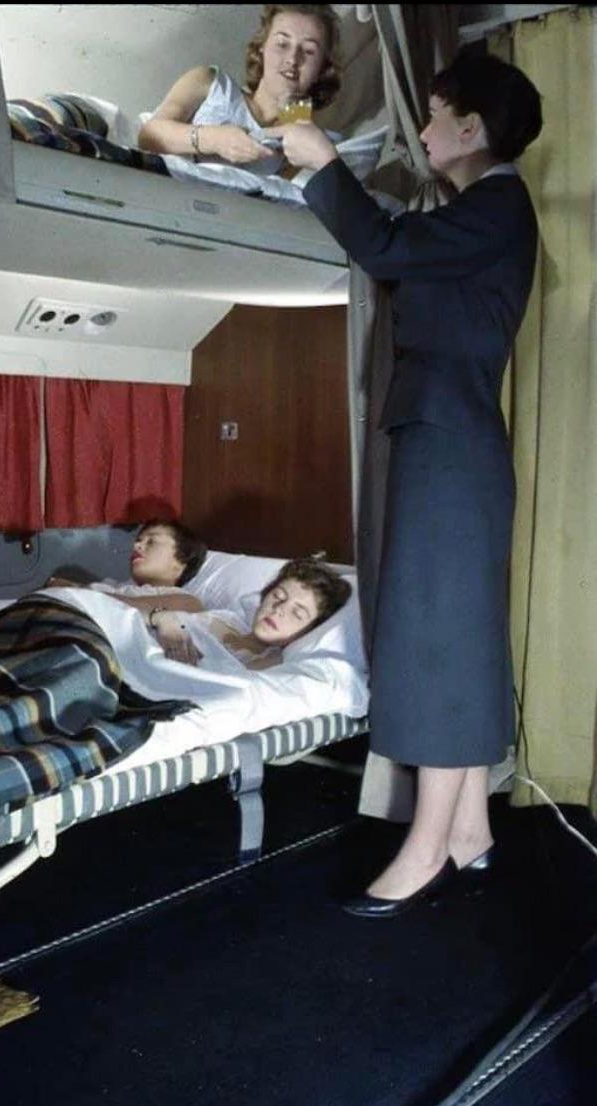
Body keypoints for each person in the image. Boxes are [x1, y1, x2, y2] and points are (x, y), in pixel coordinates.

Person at [265, 52, 543, 916]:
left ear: (470, 128)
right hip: (448, 446)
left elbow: (385, 247)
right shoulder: (474, 214)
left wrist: (323, 165)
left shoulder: (496, 203)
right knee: (452, 642)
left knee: (436, 646)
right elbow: (398, 252)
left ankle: (425, 848)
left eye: (432, 116)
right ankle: (466, 833)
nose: (422, 133)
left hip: (451, 451)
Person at [137, 4, 342, 178]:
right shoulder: (209, 82)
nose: (292, 59)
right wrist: (214, 140)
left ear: (322, 68)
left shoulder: (305, 140)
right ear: (262, 47)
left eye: (308, 51)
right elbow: (148, 135)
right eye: (282, 43)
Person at [145, 558, 350, 669]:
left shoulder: (271, 662)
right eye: (278, 596)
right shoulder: (227, 618)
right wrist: (162, 617)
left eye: (297, 613)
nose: (279, 609)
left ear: (309, 630)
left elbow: (216, 689)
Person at [46, 519, 208, 620]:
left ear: (180, 562)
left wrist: (82, 593)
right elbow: (54, 585)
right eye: (138, 540)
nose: (136, 545)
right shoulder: (113, 587)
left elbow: (130, 609)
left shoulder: (186, 601)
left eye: (151, 542)